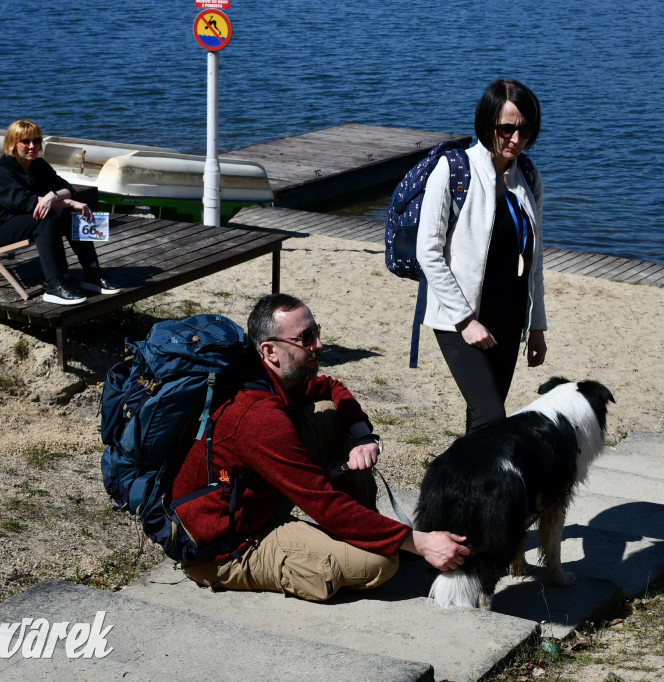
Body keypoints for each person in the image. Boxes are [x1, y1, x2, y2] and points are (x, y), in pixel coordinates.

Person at [172, 293, 470, 601]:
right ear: (270, 351)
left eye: (317, 332)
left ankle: (361, 528)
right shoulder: (259, 417)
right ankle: (334, 547)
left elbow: (330, 386)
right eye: (305, 338)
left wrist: (363, 437)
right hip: (226, 545)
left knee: (328, 410)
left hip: (251, 500)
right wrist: (419, 542)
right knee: (381, 562)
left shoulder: (263, 373)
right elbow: (323, 504)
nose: (318, 345)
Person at [416, 79, 548, 433]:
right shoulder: (454, 170)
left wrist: (536, 325)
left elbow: (533, 261)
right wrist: (464, 321)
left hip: (509, 318)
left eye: (525, 130)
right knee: (492, 419)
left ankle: (466, 489)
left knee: (481, 422)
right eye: (507, 129)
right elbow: (428, 252)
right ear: (488, 124)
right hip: (460, 318)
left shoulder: (529, 176)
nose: (516, 140)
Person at [0, 119, 119, 305]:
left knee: (70, 214)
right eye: (25, 141)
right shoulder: (3, 168)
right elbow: (25, 202)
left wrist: (53, 196)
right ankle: (54, 286)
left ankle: (92, 272)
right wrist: (68, 201)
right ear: (12, 142)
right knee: (45, 216)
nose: (32, 146)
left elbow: (67, 187)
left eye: (36, 140)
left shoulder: (38, 165)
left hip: (22, 219)